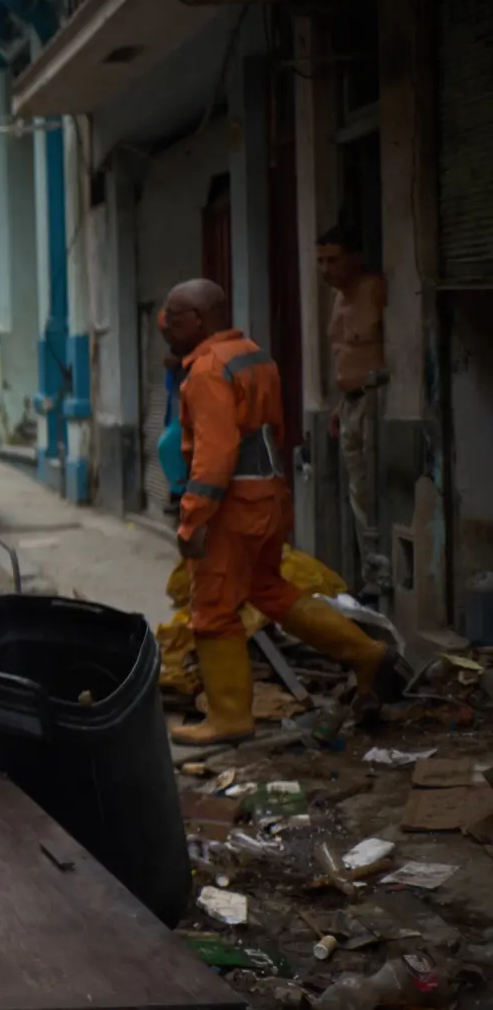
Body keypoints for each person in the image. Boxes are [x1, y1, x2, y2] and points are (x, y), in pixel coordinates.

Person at [160, 279, 388, 745]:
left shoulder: (206, 370)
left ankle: (228, 718)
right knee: (268, 588)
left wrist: (193, 519)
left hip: (230, 508)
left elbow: (216, 454)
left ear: (199, 320)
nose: (165, 326)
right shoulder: (253, 355)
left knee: (213, 609)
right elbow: (274, 432)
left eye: (174, 317)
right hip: (269, 496)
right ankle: (366, 651)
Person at [316, 225, 390, 595]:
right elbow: (342, 355)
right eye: (320, 261)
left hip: (376, 403)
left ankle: (385, 578)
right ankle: (372, 577)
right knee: (357, 495)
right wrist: (338, 404)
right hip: (350, 404)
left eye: (333, 260)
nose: (325, 269)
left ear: (355, 258)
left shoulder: (375, 289)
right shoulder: (336, 300)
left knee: (376, 492)